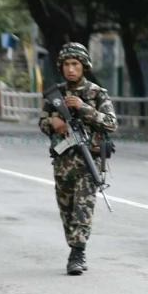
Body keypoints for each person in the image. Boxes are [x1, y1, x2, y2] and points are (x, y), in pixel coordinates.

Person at [38, 42, 117, 275]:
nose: (71, 69)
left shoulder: (96, 93)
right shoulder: (55, 94)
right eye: (66, 65)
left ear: (84, 66)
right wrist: (53, 123)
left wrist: (84, 108)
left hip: (88, 161)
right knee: (67, 210)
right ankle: (74, 244)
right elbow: (42, 121)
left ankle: (77, 252)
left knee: (83, 206)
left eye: (75, 64)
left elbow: (111, 123)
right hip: (63, 161)